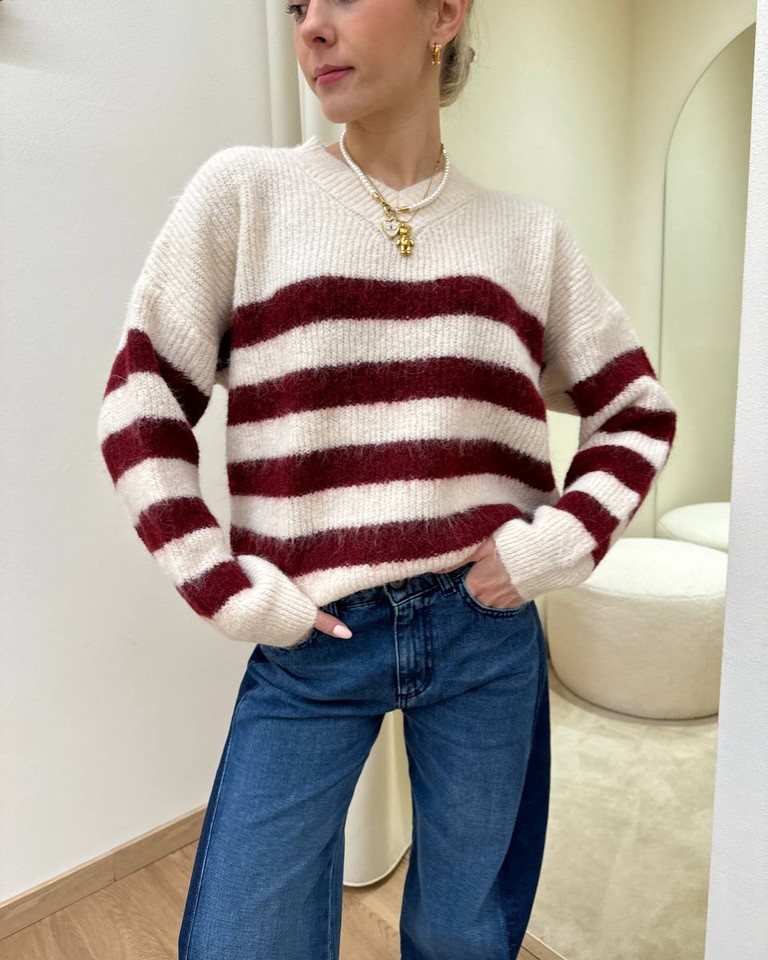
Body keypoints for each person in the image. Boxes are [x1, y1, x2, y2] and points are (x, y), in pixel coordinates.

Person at [96, 0, 677, 957]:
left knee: (464, 933)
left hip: (484, 630)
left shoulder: (527, 238)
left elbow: (637, 410)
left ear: (443, 13)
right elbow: (139, 403)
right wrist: (225, 586)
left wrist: (554, 545)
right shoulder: (247, 195)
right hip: (315, 639)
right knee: (243, 936)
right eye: (297, 6)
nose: (310, 27)